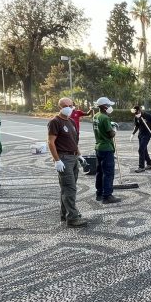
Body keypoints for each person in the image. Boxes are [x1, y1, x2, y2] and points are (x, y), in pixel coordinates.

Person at [48, 97, 87, 227]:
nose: (70, 108)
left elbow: (73, 141)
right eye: (66, 105)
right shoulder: (55, 122)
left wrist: (79, 155)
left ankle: (65, 214)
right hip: (64, 159)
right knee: (70, 188)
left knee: (67, 188)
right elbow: (51, 142)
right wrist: (57, 160)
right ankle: (72, 218)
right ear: (60, 107)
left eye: (71, 105)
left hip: (74, 157)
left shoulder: (71, 121)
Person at [92, 96, 120, 204]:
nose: (109, 107)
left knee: (99, 171)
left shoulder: (96, 116)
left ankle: (99, 193)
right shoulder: (105, 118)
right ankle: (107, 196)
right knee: (108, 173)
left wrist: (110, 124)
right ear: (104, 107)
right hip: (107, 148)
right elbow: (110, 134)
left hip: (98, 147)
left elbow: (101, 128)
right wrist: (114, 129)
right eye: (108, 105)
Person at [131, 105, 151, 173]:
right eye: (135, 113)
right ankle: (149, 164)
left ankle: (141, 167)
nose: (136, 114)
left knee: (141, 150)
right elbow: (137, 126)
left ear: (140, 110)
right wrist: (132, 134)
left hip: (147, 135)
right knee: (144, 150)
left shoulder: (148, 115)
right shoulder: (136, 116)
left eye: (137, 113)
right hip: (140, 135)